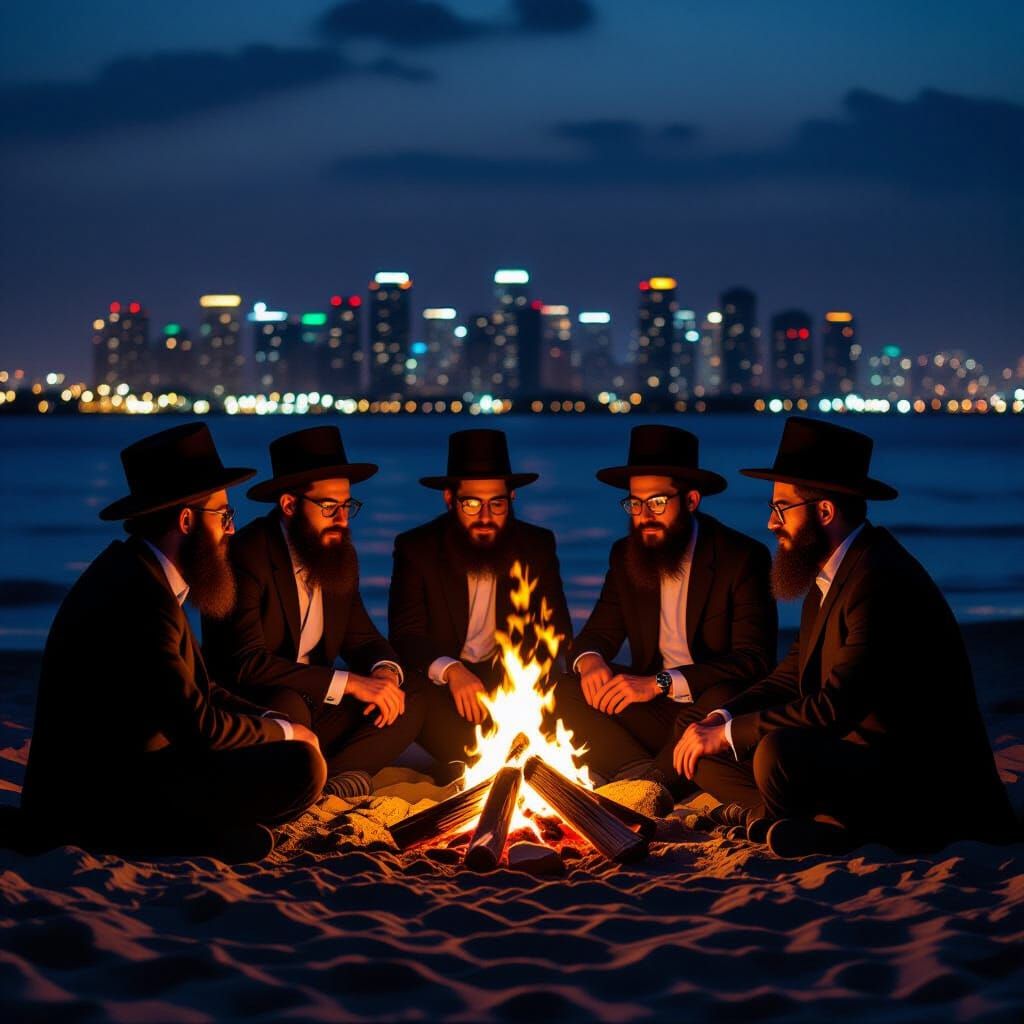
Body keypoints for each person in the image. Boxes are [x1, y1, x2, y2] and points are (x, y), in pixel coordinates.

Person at [673, 416, 1017, 856]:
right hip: (854, 758)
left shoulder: (878, 578)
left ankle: (827, 829)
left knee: (775, 752)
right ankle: (783, 820)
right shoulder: (832, 574)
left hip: (912, 778)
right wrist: (722, 719)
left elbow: (835, 706)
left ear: (824, 511)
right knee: (696, 731)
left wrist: (734, 733)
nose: (771, 523)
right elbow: (790, 675)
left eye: (780, 508)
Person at [20, 424, 325, 862]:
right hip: (101, 799)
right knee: (302, 767)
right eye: (223, 516)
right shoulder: (139, 597)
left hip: (133, 773)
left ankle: (213, 834)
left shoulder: (148, 577)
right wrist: (285, 732)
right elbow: (198, 727)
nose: (232, 531)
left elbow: (199, 689)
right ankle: (189, 838)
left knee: (292, 748)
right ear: (186, 521)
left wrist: (268, 717)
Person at [204, 426, 424, 799]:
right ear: (289, 505)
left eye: (347, 506)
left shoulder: (338, 552)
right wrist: (352, 683)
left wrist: (384, 673)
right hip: (256, 706)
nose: (342, 519)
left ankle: (330, 781)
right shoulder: (246, 554)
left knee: (412, 693)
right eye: (329, 507)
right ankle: (317, 780)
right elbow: (247, 663)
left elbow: (363, 638)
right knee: (289, 704)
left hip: (317, 703)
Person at [555, 424, 776, 788]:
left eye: (657, 501)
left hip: (711, 712)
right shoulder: (625, 555)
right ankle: (642, 775)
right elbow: (597, 633)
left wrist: (659, 683)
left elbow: (753, 660)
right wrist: (591, 661)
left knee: (724, 693)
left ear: (691, 501)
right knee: (564, 689)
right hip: (654, 715)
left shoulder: (742, 557)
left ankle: (653, 784)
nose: (644, 515)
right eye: (635, 502)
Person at [389, 429, 572, 780]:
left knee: (571, 693)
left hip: (514, 682)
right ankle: (470, 765)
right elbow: (406, 635)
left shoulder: (537, 545)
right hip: (443, 688)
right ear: (449, 498)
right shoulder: (417, 547)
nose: (485, 515)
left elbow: (559, 629)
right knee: (409, 699)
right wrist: (452, 671)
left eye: (497, 503)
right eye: (471, 503)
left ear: (511, 498)